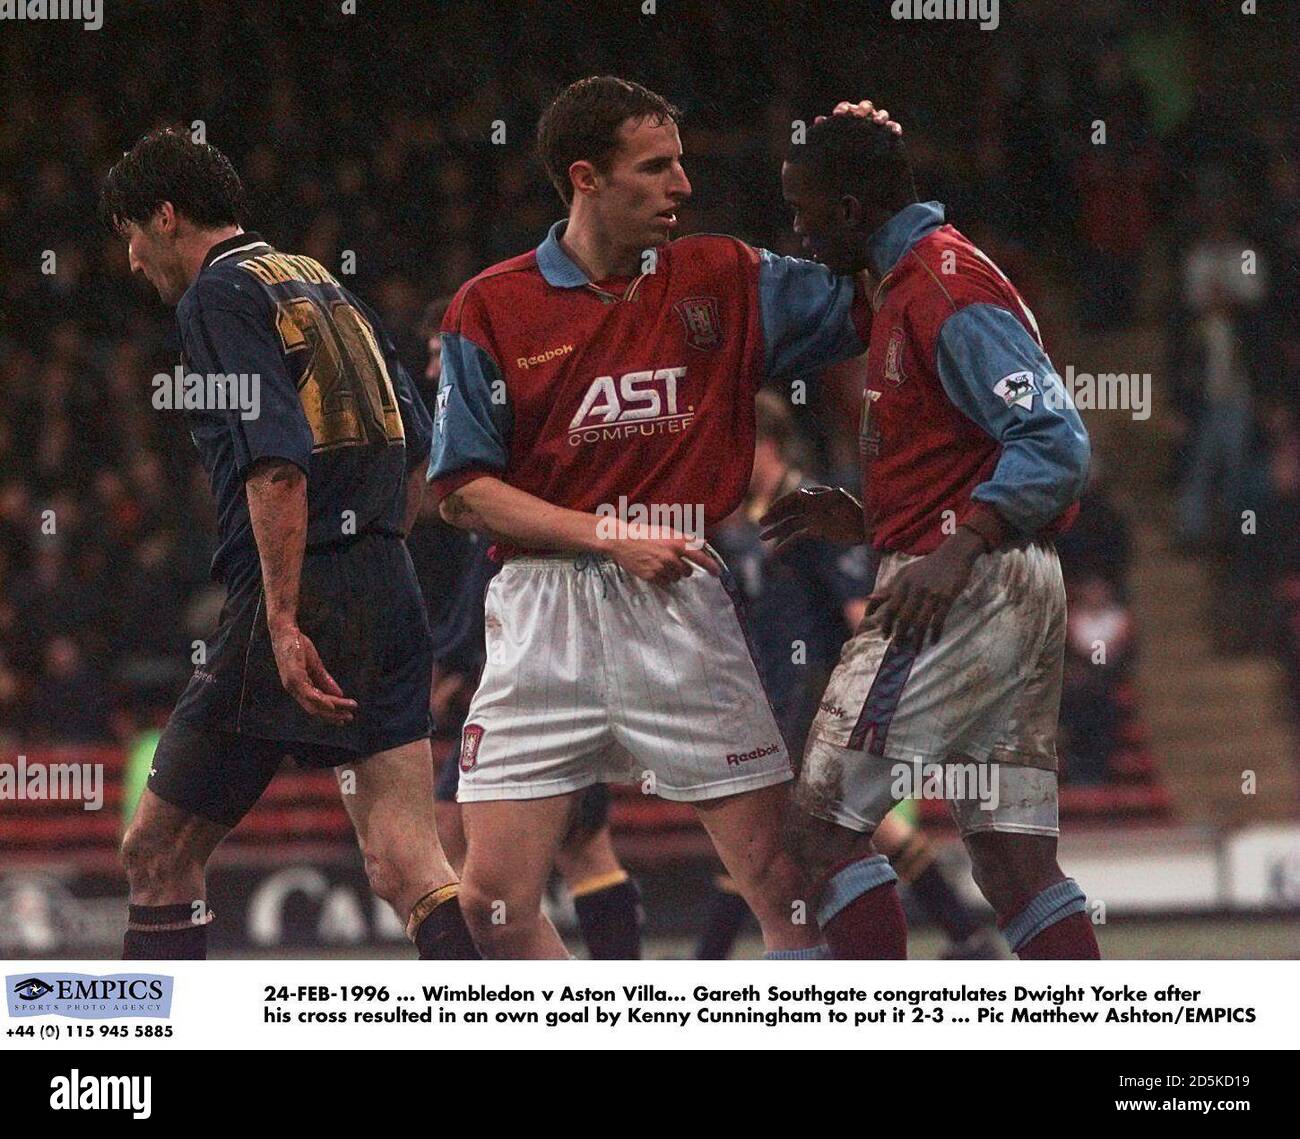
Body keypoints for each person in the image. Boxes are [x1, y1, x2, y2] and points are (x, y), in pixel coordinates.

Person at [428, 77, 884, 959]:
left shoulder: (726, 275)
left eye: (683, 164)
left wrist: (872, 175)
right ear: (585, 178)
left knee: (782, 885)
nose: (682, 186)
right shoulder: (490, 306)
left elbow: (878, 293)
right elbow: (462, 490)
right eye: (656, 167)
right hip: (537, 613)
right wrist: (608, 533)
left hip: (680, 604)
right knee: (491, 903)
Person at [100, 128, 476, 959]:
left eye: (129, 234)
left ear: (165, 217)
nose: (131, 260)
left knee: (156, 853)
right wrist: (373, 554)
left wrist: (283, 615)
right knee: (409, 860)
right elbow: (420, 448)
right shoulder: (319, 278)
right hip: (388, 582)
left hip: (299, 598)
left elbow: (275, 467)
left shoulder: (218, 296)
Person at [763, 110, 1099, 959]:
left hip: (963, 585)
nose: (798, 233)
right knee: (1016, 860)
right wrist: (878, 518)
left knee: (818, 829)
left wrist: (953, 546)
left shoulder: (943, 286)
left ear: (847, 208)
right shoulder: (915, 279)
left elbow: (1057, 441)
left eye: (804, 211)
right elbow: (973, 447)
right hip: (1001, 574)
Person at [701, 390, 999, 959]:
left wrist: (874, 692)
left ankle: (723, 958)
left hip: (817, 690)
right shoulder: (752, 519)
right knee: (840, 827)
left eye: (737, 446)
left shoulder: (811, 509)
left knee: (769, 827)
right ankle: (964, 935)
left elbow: (860, 608)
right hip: (779, 692)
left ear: (765, 444)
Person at [415, 307, 643, 958]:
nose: (432, 369)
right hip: (543, 651)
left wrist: (457, 658)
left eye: (439, 353)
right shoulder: (500, 440)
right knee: (581, 843)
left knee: (459, 837)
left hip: (531, 657)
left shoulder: (489, 453)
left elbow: (494, 564)